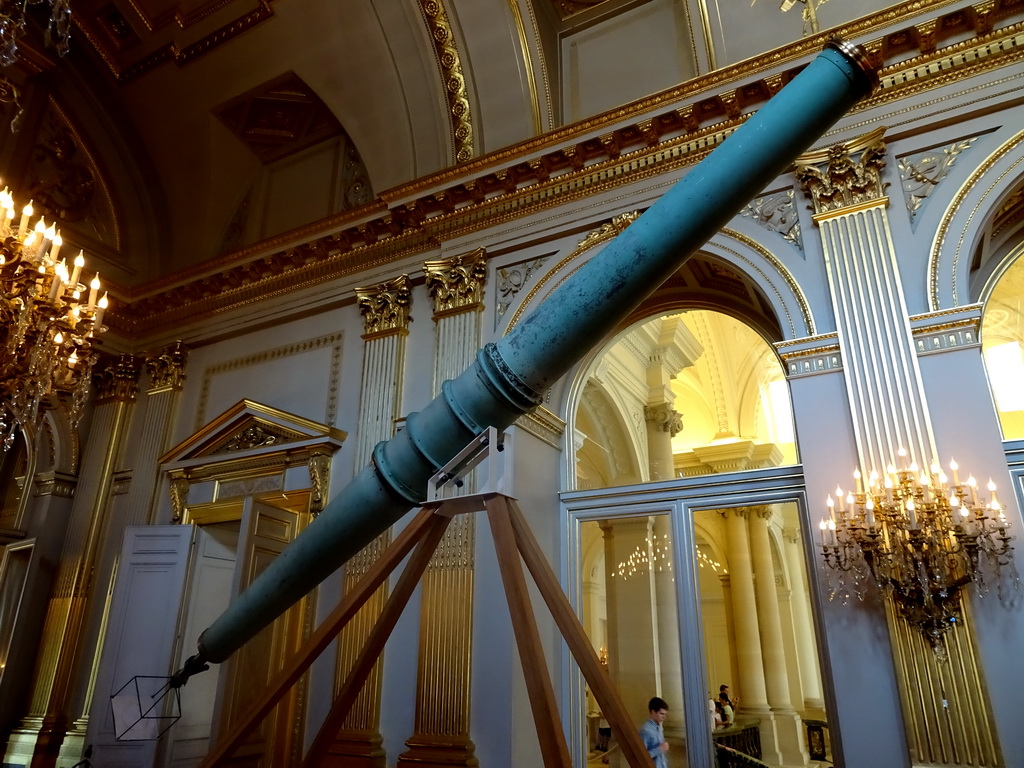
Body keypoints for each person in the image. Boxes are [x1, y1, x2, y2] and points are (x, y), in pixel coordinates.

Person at [639, 696, 670, 768]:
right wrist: (660, 749)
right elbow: (641, 756)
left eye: (665, 714)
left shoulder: (659, 727)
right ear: (653, 712)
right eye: (661, 714)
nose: (664, 717)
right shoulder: (645, 730)